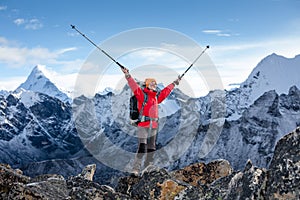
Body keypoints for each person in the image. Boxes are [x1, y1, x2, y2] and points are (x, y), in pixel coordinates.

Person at [122, 67, 181, 175]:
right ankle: (136, 169)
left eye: (155, 83)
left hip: (153, 125)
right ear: (147, 84)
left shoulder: (156, 97)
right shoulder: (142, 95)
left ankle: (147, 167)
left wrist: (174, 83)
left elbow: (166, 92)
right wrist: (127, 75)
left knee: (151, 147)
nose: (154, 85)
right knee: (142, 146)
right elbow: (134, 86)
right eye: (152, 83)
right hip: (143, 124)